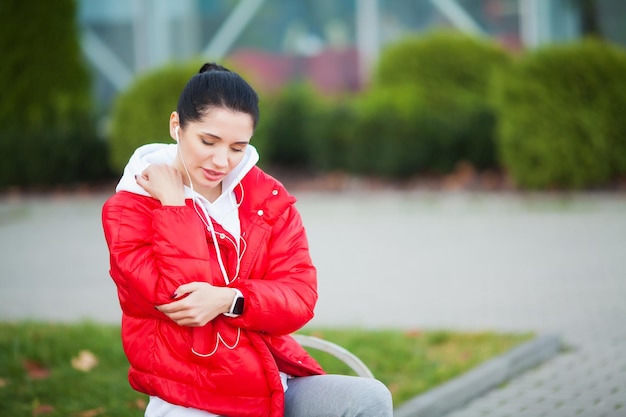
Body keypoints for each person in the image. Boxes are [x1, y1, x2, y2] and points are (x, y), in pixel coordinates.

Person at [102, 63, 393, 417]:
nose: (221, 161)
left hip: (272, 383)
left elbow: (300, 296)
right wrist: (174, 205)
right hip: (194, 397)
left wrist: (232, 299)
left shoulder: (265, 199)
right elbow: (178, 299)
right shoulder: (129, 208)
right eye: (208, 142)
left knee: (370, 399)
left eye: (237, 147)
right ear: (176, 125)